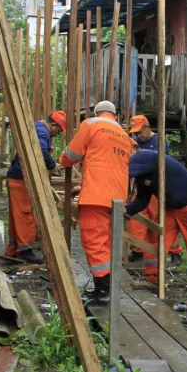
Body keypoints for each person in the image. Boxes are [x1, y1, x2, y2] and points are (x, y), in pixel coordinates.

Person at [60, 100, 131, 305]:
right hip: (117, 196)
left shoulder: (91, 124)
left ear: (97, 112)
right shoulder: (124, 136)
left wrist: (62, 161)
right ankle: (106, 287)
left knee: (94, 241)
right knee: (107, 242)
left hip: (96, 195)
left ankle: (103, 292)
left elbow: (72, 155)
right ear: (114, 115)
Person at [125, 149, 187, 286]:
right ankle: (152, 279)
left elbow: (124, 171)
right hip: (170, 207)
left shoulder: (144, 156)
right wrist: (127, 210)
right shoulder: (141, 175)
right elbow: (142, 199)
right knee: (155, 237)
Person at [5, 111, 66, 263]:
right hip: (22, 178)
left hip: (18, 177)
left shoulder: (37, 127)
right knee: (25, 214)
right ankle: (25, 251)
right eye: (58, 131)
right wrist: (52, 165)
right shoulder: (42, 132)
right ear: (53, 125)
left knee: (17, 216)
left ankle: (14, 248)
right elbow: (41, 151)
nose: (57, 135)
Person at [127, 115, 183, 264]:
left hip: (156, 186)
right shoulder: (135, 142)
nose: (138, 135)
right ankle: (138, 249)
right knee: (136, 218)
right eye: (135, 133)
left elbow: (160, 164)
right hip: (141, 185)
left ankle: (174, 251)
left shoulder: (159, 141)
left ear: (147, 127)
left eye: (140, 132)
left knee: (161, 219)